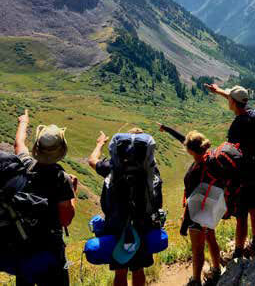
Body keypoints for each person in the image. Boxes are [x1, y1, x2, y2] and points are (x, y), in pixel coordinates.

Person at [88, 127, 162, 286]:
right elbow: (156, 198)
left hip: (116, 224)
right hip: (142, 224)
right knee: (138, 270)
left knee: (120, 271)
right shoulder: (150, 170)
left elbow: (92, 161)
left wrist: (100, 144)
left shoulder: (113, 167)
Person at [13, 109, 77, 286]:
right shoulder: (62, 179)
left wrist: (23, 122)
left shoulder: (25, 165)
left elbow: (18, 143)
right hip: (51, 247)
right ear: (61, 149)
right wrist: (74, 193)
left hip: (24, 244)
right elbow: (66, 220)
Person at [157, 124, 221, 286]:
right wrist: (168, 129)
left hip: (198, 211)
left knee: (197, 249)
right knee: (211, 237)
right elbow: (185, 141)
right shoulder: (210, 158)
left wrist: (184, 224)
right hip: (211, 204)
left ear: (191, 151)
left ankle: (196, 280)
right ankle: (216, 269)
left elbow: (191, 199)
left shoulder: (195, 171)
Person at [204, 84, 255, 258]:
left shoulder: (237, 125)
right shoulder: (252, 115)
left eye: (228, 98)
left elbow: (230, 151)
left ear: (233, 102)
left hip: (242, 175)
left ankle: (238, 252)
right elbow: (236, 100)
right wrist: (219, 91)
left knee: (242, 215)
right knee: (254, 208)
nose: (227, 99)